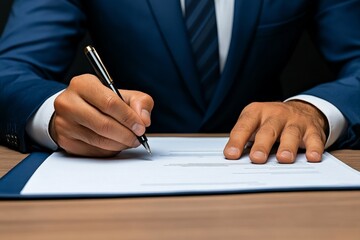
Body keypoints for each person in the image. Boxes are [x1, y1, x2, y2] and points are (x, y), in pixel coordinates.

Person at [0, 0, 359, 164]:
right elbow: (9, 71)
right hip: (122, 184)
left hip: (269, 174)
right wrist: (54, 115)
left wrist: (313, 109)